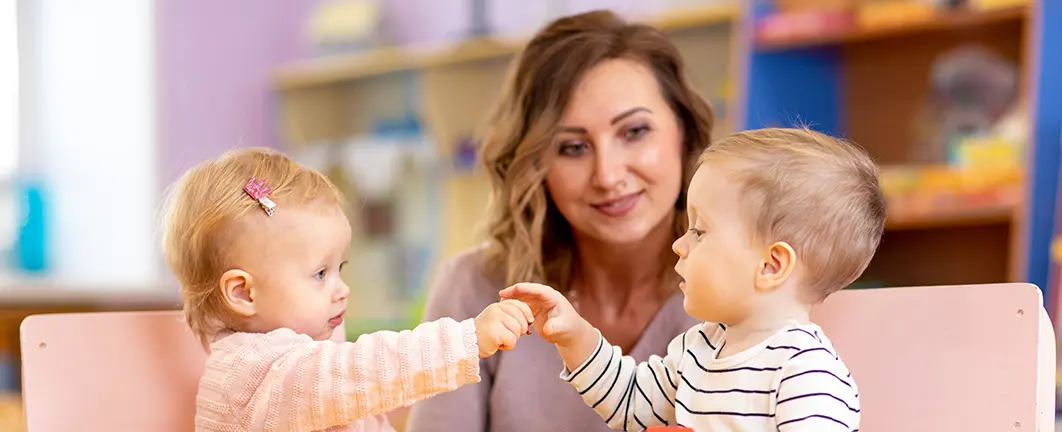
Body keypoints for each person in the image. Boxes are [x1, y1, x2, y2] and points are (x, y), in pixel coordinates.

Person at [405, 9, 715, 432]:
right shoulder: (473, 289)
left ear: (684, 131)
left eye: (635, 132)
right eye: (572, 147)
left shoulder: (753, 290)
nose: (608, 176)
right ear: (536, 164)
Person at [502, 127, 884, 431]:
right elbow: (630, 403)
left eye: (699, 231)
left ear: (771, 266)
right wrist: (575, 336)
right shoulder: (698, 347)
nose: (679, 245)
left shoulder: (805, 372)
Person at [159, 148, 537, 431]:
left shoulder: (307, 356)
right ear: (243, 293)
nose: (343, 289)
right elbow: (359, 372)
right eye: (320, 274)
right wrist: (466, 339)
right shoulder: (250, 374)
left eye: (340, 268)